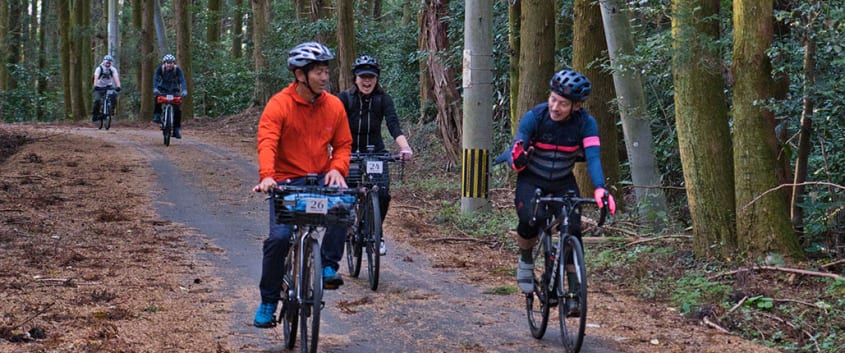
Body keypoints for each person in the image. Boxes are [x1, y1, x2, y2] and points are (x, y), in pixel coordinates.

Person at [253, 41, 352, 328]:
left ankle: (329, 265)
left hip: (320, 176)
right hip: (285, 182)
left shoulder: (333, 105)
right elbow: (267, 140)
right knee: (278, 239)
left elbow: (343, 144)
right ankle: (269, 300)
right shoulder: (279, 104)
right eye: (318, 72)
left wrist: (337, 168)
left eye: (326, 71)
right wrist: (267, 176)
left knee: (343, 204)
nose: (324, 77)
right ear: (300, 74)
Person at [508, 68, 616, 316]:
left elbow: (593, 157)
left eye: (563, 103)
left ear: (576, 106)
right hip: (531, 179)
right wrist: (518, 157)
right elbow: (518, 145)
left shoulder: (586, 123)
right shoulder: (535, 116)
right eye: (553, 99)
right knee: (530, 220)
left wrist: (600, 188)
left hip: (562, 181)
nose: (555, 107)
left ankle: (575, 293)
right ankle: (526, 259)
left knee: (573, 230)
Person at [337, 55, 413, 256]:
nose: (367, 81)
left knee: (383, 194)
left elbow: (393, 125)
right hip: (349, 152)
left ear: (377, 78)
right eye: (363, 76)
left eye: (371, 76)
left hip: (376, 153)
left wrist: (405, 148)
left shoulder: (384, 99)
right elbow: (332, 125)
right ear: (355, 78)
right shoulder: (344, 99)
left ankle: (376, 234)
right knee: (348, 193)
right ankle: (349, 223)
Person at [152, 54, 188, 139]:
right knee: (157, 98)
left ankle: (176, 129)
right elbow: (156, 79)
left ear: (173, 63)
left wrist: (184, 90)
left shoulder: (177, 70)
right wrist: (155, 88)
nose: (169, 64)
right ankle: (157, 114)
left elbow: (182, 80)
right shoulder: (160, 69)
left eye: (171, 63)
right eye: (167, 63)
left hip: (174, 90)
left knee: (178, 109)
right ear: (164, 63)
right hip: (162, 90)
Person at [91, 55, 122, 122]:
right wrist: (95, 85)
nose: (108, 64)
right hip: (98, 87)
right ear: (104, 62)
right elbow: (96, 78)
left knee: (114, 95)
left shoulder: (112, 69)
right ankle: (95, 115)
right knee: (97, 100)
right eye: (107, 62)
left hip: (108, 86)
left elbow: (116, 77)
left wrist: (118, 86)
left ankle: (111, 111)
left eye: (109, 63)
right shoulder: (99, 68)